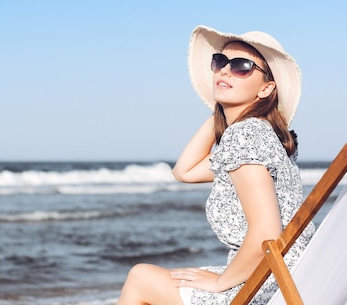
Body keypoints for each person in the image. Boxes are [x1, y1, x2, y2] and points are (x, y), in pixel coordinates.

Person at [116, 25, 315, 305]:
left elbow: (266, 234)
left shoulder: (245, 136)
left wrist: (222, 281)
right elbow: (184, 171)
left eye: (242, 67)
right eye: (220, 62)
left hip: (267, 286)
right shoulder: (260, 135)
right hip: (292, 279)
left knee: (141, 277)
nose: (224, 71)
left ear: (267, 87)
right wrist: (222, 109)